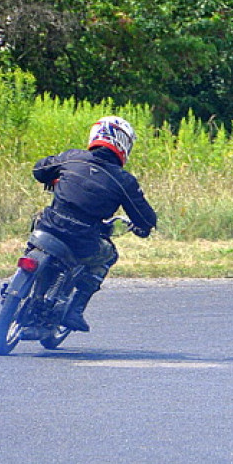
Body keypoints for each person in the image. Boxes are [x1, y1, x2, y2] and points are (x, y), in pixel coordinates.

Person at [30, 116, 158, 332]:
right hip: (83, 240)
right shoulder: (123, 180)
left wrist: (55, 179)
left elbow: (39, 170)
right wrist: (142, 229)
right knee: (109, 254)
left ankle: (26, 267)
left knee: (37, 224)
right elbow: (145, 219)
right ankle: (75, 309)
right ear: (123, 143)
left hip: (48, 226)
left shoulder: (72, 158)